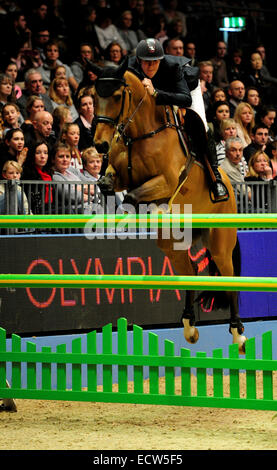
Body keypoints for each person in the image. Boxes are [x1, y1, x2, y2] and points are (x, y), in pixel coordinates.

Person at [128, 38, 228, 201]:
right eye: (147, 62)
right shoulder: (131, 68)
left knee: (200, 125)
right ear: (139, 60)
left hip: (186, 91)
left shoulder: (173, 67)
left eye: (155, 61)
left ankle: (215, 178)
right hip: (157, 92)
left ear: (161, 60)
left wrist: (156, 93)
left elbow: (185, 99)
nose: (151, 66)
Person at [52, 142, 94, 214]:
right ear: (53, 159)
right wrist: (91, 197)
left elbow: (92, 184)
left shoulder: (72, 170)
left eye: (67, 156)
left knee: (110, 202)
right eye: (61, 156)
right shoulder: (55, 177)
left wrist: (77, 188)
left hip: (90, 206)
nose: (65, 159)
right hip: (77, 210)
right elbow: (71, 196)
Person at [22, 140, 53, 214]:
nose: (42, 156)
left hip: (49, 207)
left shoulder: (49, 173)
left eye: (45, 153)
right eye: (38, 153)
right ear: (32, 155)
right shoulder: (27, 174)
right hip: (36, 211)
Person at [220, 136, 250, 201]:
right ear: (226, 152)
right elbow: (248, 194)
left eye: (240, 150)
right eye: (233, 150)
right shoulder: (228, 169)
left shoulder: (235, 164)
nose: (238, 154)